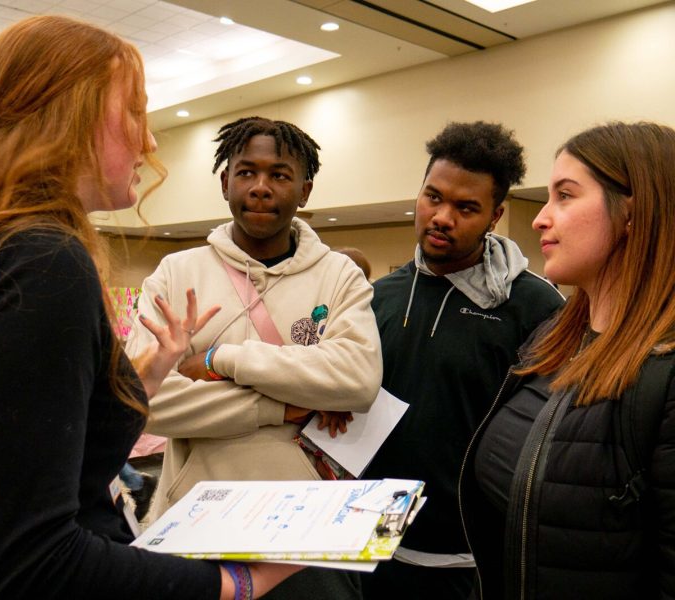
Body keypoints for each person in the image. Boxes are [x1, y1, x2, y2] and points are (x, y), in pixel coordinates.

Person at [0, 15, 300, 600]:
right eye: (133, 112)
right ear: (67, 114)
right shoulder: (42, 263)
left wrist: (142, 375)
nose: (149, 141)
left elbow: (29, 465)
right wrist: (232, 583)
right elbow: (37, 561)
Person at [126, 116, 382, 599]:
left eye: (280, 175)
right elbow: (147, 401)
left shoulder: (339, 275)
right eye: (246, 172)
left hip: (306, 530)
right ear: (225, 182)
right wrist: (281, 407)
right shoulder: (177, 273)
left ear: (305, 190)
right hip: (194, 521)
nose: (261, 187)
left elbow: (357, 379)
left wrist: (221, 358)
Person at [460, 122, 675, 599]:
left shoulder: (665, 373)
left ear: (634, 214)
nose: (540, 218)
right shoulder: (554, 337)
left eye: (565, 196)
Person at [360, 121, 564, 598]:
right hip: (371, 533)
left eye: (466, 207)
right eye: (433, 197)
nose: (442, 216)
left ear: (495, 217)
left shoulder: (535, 307)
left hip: (469, 551)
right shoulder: (374, 298)